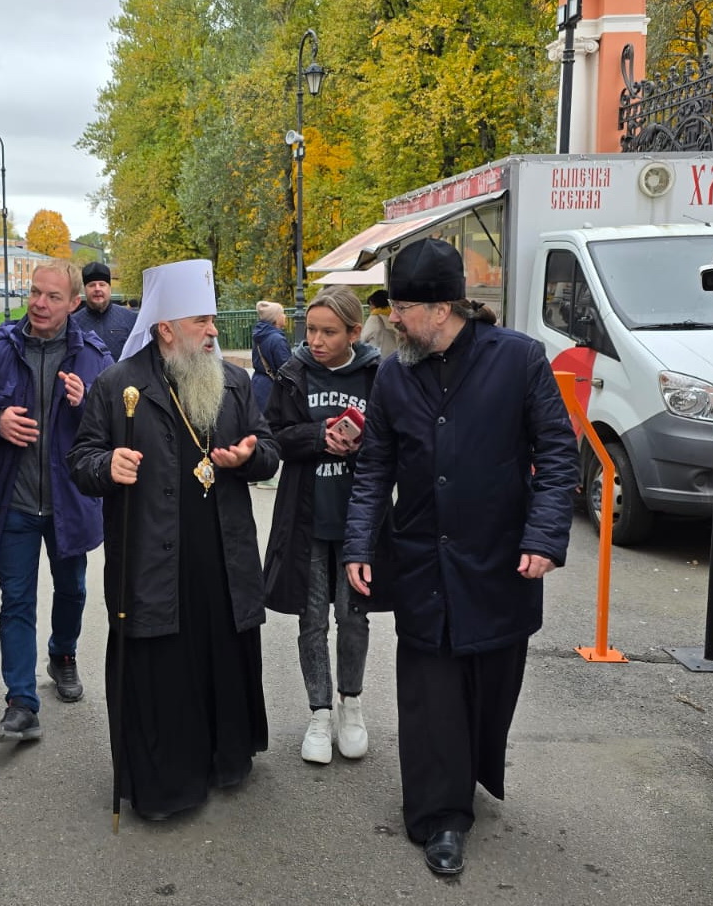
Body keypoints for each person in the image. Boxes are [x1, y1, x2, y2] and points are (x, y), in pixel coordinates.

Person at [343, 238, 579, 876]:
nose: (393, 319)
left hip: (501, 558)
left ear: (442, 308)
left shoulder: (520, 361)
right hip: (421, 557)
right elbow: (374, 468)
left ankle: (471, 770)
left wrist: (543, 536)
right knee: (430, 692)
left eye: (402, 308)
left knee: (490, 685)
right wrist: (360, 543)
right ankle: (439, 817)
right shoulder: (394, 373)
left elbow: (560, 456)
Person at [67, 258, 279, 822]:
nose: (214, 331)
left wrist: (250, 456)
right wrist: (106, 464)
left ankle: (226, 759)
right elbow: (81, 461)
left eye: (212, 321)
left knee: (221, 659)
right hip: (153, 561)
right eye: (202, 320)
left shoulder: (232, 381)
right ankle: (169, 783)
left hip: (221, 556)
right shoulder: (118, 386)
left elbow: (271, 450)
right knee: (166, 671)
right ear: (166, 329)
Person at [0, 259, 114, 744]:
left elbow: (117, 428)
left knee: (73, 591)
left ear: (74, 303)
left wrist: (88, 404)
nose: (39, 303)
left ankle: (63, 653)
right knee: (15, 600)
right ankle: (20, 703)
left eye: (53, 296)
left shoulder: (94, 359)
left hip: (69, 503)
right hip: (14, 501)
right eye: (35, 292)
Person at [262, 286, 381, 765]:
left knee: (352, 618)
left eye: (328, 332)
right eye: (310, 329)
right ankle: (319, 711)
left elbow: (397, 437)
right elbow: (271, 436)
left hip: (358, 522)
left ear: (354, 332)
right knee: (312, 620)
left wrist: (363, 440)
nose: (316, 339)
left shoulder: (376, 374)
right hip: (307, 518)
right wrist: (318, 436)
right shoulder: (292, 374)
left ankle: (350, 704)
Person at [71, 261, 137, 360]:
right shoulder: (73, 323)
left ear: (109, 288)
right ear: (84, 289)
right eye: (92, 285)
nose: (97, 289)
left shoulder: (130, 319)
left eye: (102, 284)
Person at [250, 300, 290, 416]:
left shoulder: (260, 335)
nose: (285, 316)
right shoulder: (277, 339)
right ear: (275, 318)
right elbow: (286, 369)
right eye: (282, 313)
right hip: (272, 388)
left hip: (258, 383)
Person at [360, 289, 398, 357]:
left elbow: (363, 338)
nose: (370, 308)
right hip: (395, 357)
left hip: (379, 358)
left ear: (376, 303)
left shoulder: (375, 318)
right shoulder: (396, 316)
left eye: (371, 305)